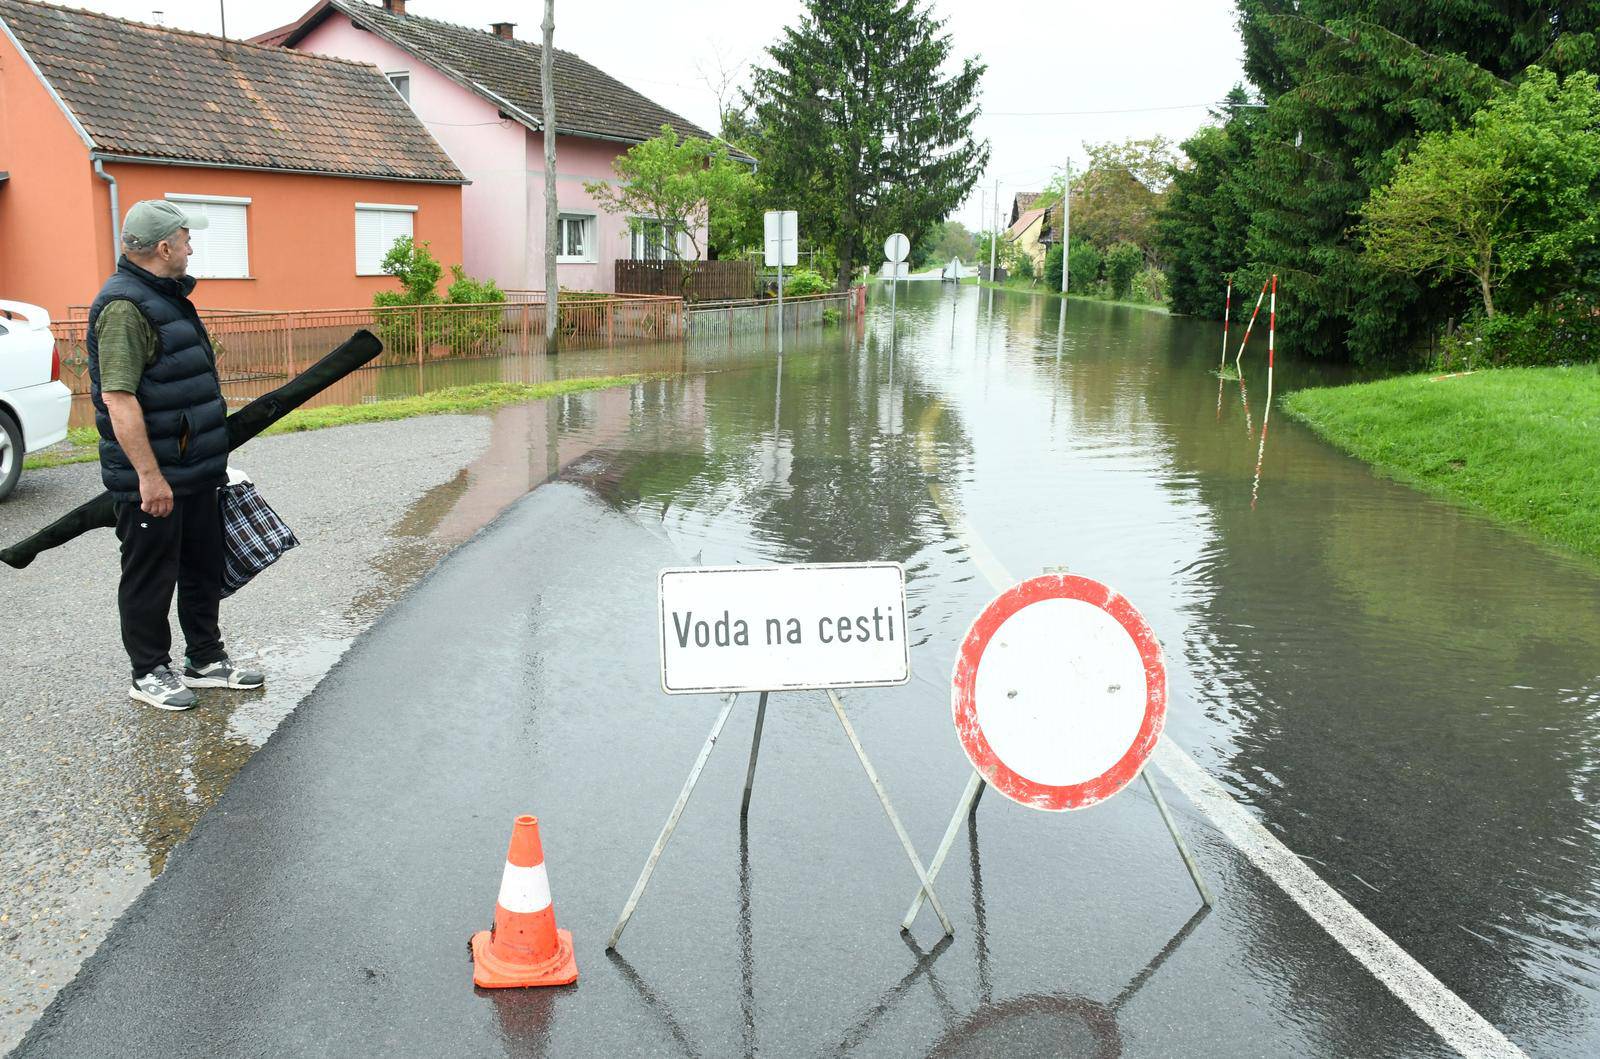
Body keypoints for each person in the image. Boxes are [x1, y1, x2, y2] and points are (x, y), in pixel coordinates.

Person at [88, 200, 263, 710]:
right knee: (150, 575)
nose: (192, 247)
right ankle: (148, 672)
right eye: (186, 239)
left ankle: (204, 659)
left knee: (202, 567)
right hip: (155, 478)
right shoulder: (125, 307)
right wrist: (149, 477)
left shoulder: (163, 297)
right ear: (163, 248)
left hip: (193, 470)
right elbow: (118, 398)